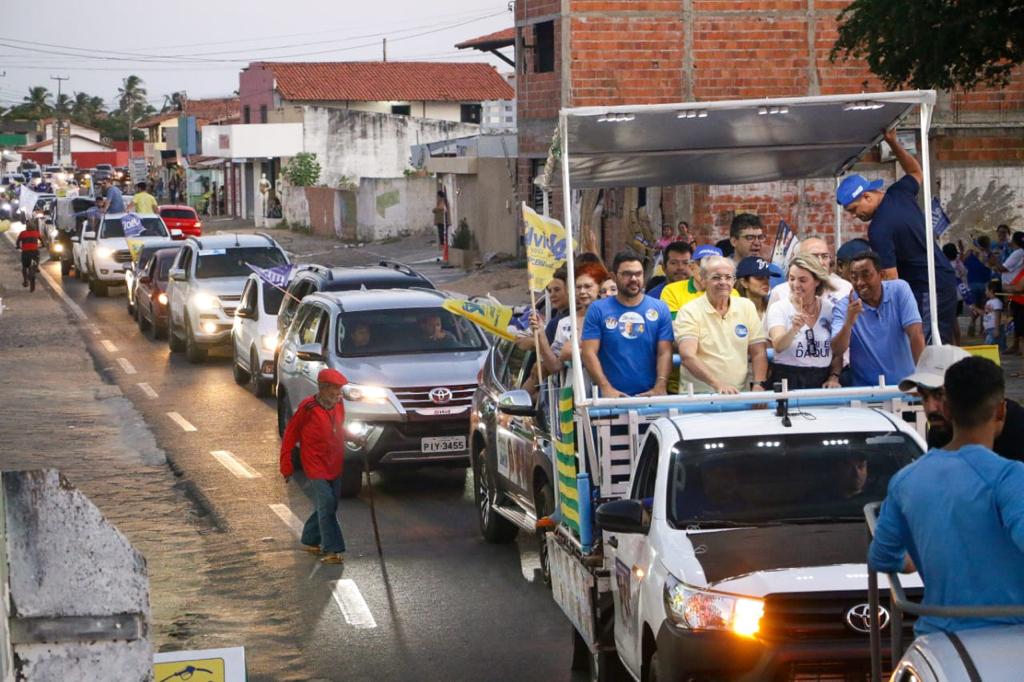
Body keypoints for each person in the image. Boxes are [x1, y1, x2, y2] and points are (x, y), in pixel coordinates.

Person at [870, 356, 1024, 635]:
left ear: (949, 410)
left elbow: (882, 556)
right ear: (1001, 410)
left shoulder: (906, 480)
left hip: (937, 639)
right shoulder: (1011, 476)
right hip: (1010, 638)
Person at [836, 129, 958, 343]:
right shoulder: (899, 193)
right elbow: (915, 171)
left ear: (866, 196)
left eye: (854, 209)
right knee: (940, 343)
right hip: (944, 278)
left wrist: (887, 315)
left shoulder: (879, 229)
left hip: (924, 290)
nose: (856, 216)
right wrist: (893, 142)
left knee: (923, 348)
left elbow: (892, 279)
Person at [899, 345, 1024, 461]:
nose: (931, 408)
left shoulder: (1018, 428)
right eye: (924, 396)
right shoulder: (940, 432)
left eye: (940, 395)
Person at [279, 368, 351, 565]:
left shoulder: (339, 404)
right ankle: (331, 550)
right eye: (335, 389)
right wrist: (286, 465)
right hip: (315, 464)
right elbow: (291, 434)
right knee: (327, 503)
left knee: (330, 505)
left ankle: (311, 539)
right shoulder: (308, 407)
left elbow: (340, 428)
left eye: (340, 389)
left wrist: (354, 438)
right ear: (324, 389)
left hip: (334, 463)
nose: (339, 393)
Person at [581, 251, 674, 397]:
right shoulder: (597, 309)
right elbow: (588, 352)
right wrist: (606, 388)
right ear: (613, 276)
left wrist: (660, 387)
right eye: (626, 274)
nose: (633, 279)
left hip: (651, 399)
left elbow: (665, 352)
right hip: (610, 401)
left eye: (638, 274)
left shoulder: (660, 308)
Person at [676, 256, 769, 394]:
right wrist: (718, 385)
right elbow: (688, 356)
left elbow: (759, 352)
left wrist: (758, 384)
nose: (723, 282)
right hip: (698, 398)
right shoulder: (689, 311)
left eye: (728, 277)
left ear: (734, 281)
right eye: (716, 277)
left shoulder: (746, 306)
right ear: (703, 280)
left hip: (739, 396)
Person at [831, 251, 925, 387]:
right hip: (865, 392)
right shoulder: (844, 306)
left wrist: (922, 378)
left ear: (881, 275)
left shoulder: (900, 290)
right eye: (854, 277)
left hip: (905, 388)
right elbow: (837, 349)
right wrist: (849, 322)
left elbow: (916, 334)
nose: (859, 282)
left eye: (866, 275)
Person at [766, 255, 841, 389]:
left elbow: (837, 350)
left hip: (821, 378)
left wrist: (834, 377)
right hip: (787, 377)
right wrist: (793, 329)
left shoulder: (829, 308)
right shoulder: (779, 307)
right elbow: (778, 345)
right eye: (792, 278)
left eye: (803, 280)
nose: (796, 285)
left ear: (817, 281)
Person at [532, 261, 608, 387]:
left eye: (588, 286)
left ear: (599, 288)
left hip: (608, 396)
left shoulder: (614, 319)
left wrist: (577, 351)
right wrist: (541, 335)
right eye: (578, 287)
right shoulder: (565, 323)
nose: (582, 291)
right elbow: (555, 366)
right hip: (576, 396)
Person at [660, 244, 736, 318]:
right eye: (701, 265)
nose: (707, 271)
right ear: (691, 267)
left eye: (714, 266)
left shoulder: (732, 292)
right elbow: (678, 325)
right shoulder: (671, 291)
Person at [734, 256, 773, 321]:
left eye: (768, 277)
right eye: (759, 277)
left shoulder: (773, 309)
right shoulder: (733, 311)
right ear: (744, 282)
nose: (766, 282)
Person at [16, 220, 42, 291]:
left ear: (27, 227)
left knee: (24, 266)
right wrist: (42, 244)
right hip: (34, 252)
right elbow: (41, 240)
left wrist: (18, 246)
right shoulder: (36, 233)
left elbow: (18, 241)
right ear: (34, 227)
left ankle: (25, 281)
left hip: (25, 252)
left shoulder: (22, 233)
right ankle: (36, 267)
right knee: (37, 257)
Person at [983, 280, 1005, 349]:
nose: (985, 292)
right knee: (996, 344)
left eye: (986, 290)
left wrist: (997, 329)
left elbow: (997, 316)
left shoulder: (997, 302)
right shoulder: (989, 301)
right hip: (990, 328)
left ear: (991, 291)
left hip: (994, 328)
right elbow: (987, 315)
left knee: (988, 346)